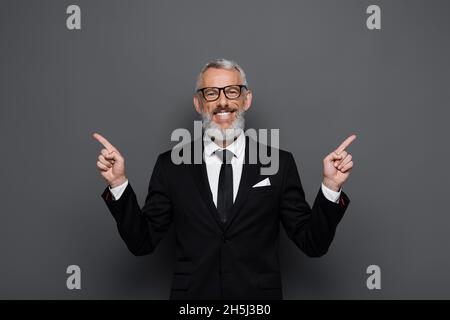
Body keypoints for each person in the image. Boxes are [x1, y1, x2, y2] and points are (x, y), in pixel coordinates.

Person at [93, 58, 355, 300]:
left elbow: (313, 243)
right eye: (211, 93)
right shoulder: (170, 165)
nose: (222, 102)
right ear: (199, 103)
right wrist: (118, 184)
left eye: (232, 91)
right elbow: (142, 242)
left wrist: (331, 187)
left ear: (246, 99)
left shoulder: (279, 164)